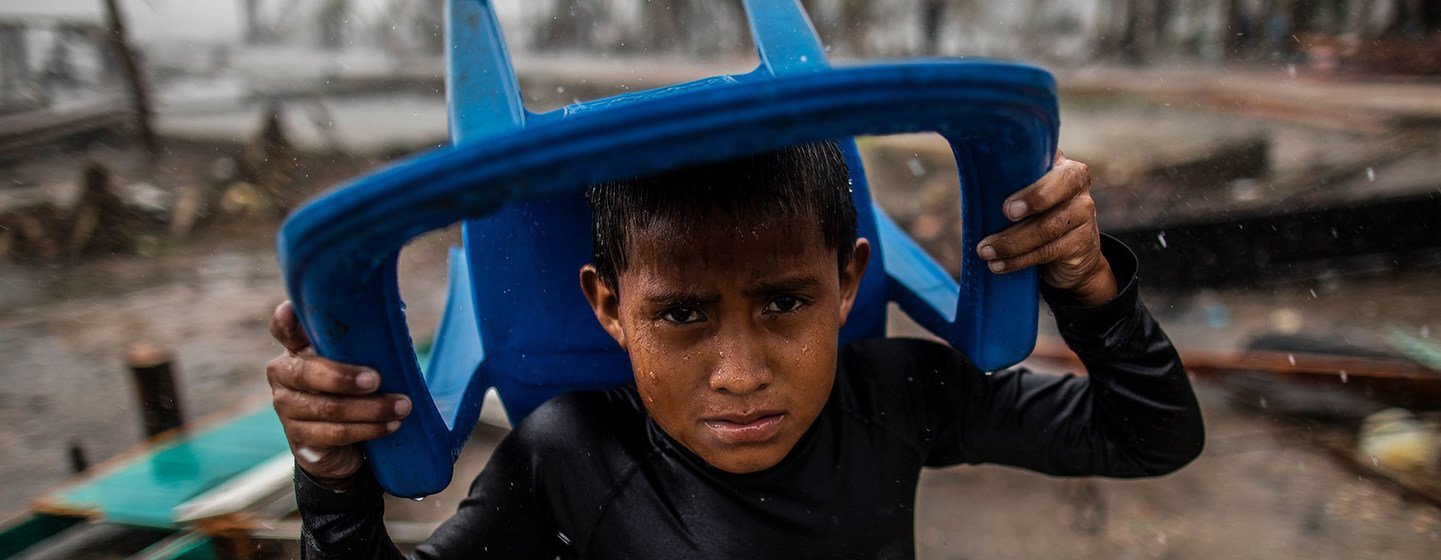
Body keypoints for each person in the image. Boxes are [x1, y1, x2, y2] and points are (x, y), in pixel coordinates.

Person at [266, 141, 1204, 559]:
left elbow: (1147, 436)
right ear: (608, 306)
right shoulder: (572, 453)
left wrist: (1088, 289)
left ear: (847, 281)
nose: (740, 373)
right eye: (679, 316)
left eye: (785, 302)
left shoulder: (896, 390)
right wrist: (332, 473)